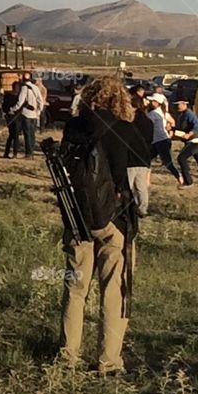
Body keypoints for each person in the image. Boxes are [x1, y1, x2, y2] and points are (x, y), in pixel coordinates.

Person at [58, 76, 139, 374]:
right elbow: (137, 181)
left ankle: (68, 355)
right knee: (114, 289)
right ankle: (109, 360)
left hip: (78, 217)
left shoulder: (73, 127)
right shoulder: (126, 130)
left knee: (75, 289)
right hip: (116, 220)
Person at [127, 96, 156, 217]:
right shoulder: (149, 121)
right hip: (144, 157)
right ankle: (143, 209)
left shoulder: (130, 122)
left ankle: (127, 207)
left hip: (131, 158)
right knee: (141, 186)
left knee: (128, 185)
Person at [147, 96, 180, 183]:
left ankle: (180, 177)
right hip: (162, 139)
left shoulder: (153, 114)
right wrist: (171, 133)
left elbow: (146, 125)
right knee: (147, 159)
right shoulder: (164, 112)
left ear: (157, 103)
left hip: (159, 140)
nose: (150, 102)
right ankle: (147, 180)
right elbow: (172, 121)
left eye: (152, 101)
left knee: (167, 163)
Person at [13, 71, 44, 158]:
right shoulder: (36, 88)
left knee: (27, 134)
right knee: (32, 134)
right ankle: (32, 152)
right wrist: (38, 112)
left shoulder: (24, 88)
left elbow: (20, 102)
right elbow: (41, 101)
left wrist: (13, 109)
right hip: (34, 115)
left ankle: (28, 153)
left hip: (26, 114)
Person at [2, 80, 22, 158]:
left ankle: (7, 153)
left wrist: (7, 112)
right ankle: (14, 153)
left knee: (11, 135)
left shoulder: (8, 95)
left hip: (10, 117)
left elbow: (4, 107)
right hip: (15, 117)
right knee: (15, 135)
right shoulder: (18, 97)